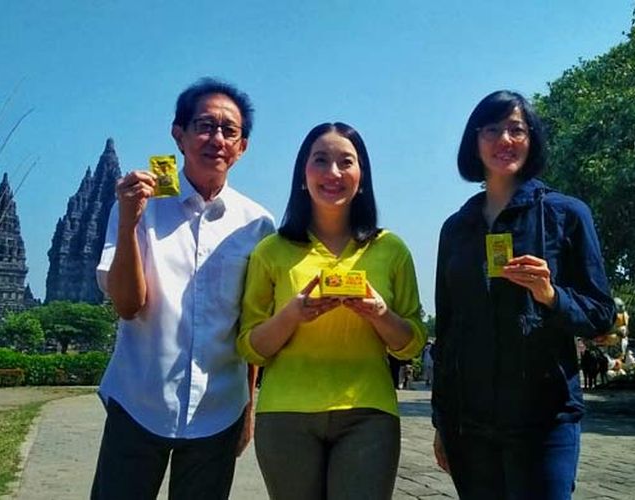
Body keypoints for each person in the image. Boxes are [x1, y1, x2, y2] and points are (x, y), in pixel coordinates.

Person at [92, 77, 274, 500]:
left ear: (242, 146)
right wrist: (129, 221)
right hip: (138, 398)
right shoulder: (140, 204)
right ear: (179, 134)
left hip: (218, 408)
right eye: (205, 126)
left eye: (229, 130)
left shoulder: (257, 225)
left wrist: (248, 409)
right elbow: (127, 305)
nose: (217, 139)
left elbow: (248, 324)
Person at [431, 90, 616, 499]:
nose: (505, 140)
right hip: (470, 426)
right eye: (492, 130)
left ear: (532, 139)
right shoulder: (457, 228)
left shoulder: (566, 214)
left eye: (516, 129)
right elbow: (448, 330)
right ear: (474, 141)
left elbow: (601, 313)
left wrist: (551, 295)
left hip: (544, 419)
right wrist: (441, 420)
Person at [237, 122, 426, 500]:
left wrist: (380, 314)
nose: (333, 173)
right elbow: (250, 346)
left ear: (362, 177)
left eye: (346, 162)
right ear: (302, 175)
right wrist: (292, 314)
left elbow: (412, 343)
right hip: (286, 413)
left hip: (368, 411)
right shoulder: (271, 250)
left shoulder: (391, 249)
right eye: (320, 160)